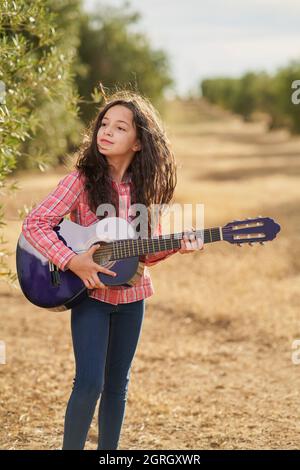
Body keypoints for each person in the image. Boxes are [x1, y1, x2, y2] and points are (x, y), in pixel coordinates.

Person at [21, 89, 204, 450]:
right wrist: (72, 260)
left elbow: (142, 255)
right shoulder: (82, 180)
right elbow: (35, 224)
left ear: (138, 142)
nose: (106, 131)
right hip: (89, 293)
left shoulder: (145, 190)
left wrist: (175, 246)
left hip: (133, 298)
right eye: (104, 123)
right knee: (89, 383)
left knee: (117, 385)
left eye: (120, 127)